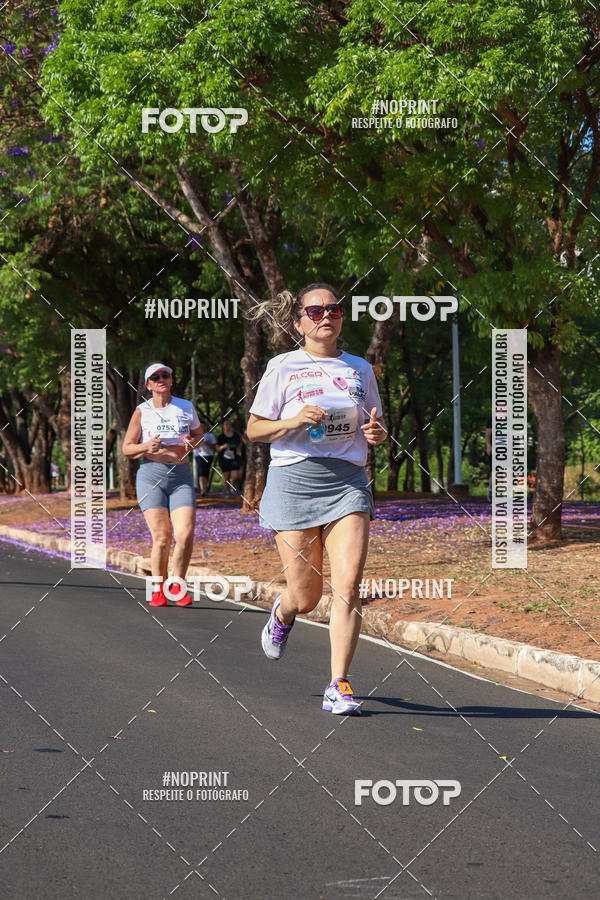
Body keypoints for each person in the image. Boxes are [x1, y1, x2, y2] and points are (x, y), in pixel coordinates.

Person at [247, 283, 386, 715]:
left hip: (348, 482)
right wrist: (292, 420)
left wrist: (377, 434)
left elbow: (375, 425)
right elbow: (254, 428)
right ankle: (284, 612)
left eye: (335, 309)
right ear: (299, 322)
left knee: (348, 585)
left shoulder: (361, 369)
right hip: (294, 482)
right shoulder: (283, 366)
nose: (326, 315)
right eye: (316, 310)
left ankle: (338, 684)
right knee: (306, 596)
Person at [123, 362, 203, 607]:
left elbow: (200, 435)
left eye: (165, 375)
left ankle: (177, 584)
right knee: (161, 538)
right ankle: (158, 588)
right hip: (151, 476)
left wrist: (193, 443)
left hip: (180, 477)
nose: (161, 379)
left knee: (185, 533)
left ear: (171, 380)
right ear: (148, 385)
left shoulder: (185, 407)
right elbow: (127, 448)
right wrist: (146, 446)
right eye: (155, 377)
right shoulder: (141, 411)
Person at [216, 419, 243, 497]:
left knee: (236, 475)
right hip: (223, 459)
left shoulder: (235, 435)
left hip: (234, 458)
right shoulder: (221, 437)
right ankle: (228, 492)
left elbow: (239, 445)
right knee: (226, 476)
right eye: (226, 424)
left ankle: (234, 485)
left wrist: (238, 449)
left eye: (229, 424)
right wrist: (223, 447)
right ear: (223, 426)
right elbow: (217, 448)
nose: (228, 426)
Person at [193, 422, 217, 496]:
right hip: (199, 455)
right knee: (201, 472)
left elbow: (214, 448)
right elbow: (192, 446)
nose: (202, 428)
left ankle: (205, 488)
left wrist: (205, 443)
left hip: (209, 455)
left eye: (203, 426)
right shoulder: (195, 436)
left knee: (206, 472)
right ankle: (202, 489)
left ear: (206, 427)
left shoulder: (210, 436)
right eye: (200, 426)